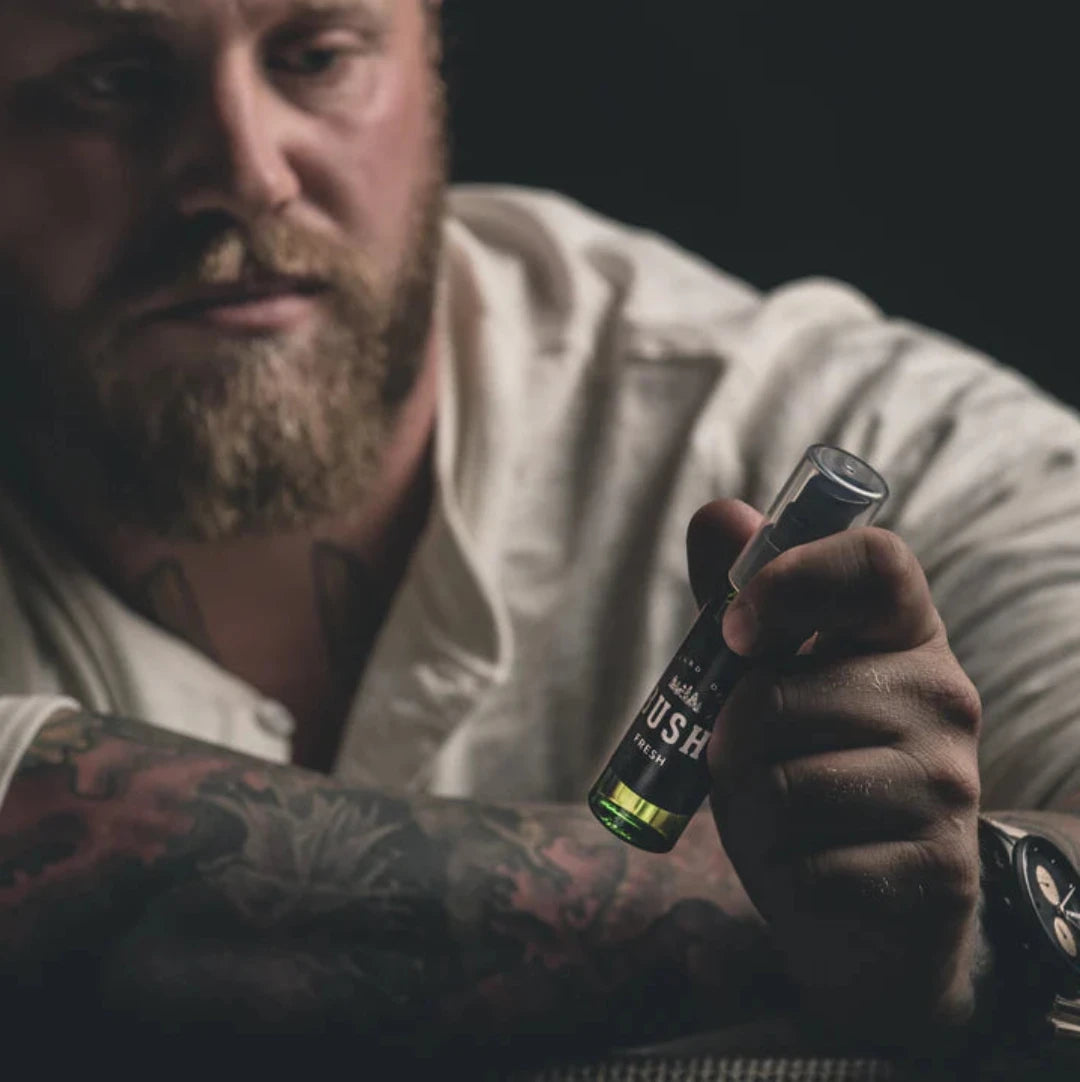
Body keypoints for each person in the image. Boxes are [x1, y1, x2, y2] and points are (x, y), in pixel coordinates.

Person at [1, 0, 1079, 1066]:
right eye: (113, 77)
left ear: (433, 72)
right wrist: (917, 956)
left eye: (317, 54)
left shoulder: (837, 422)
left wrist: (960, 919)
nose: (247, 172)